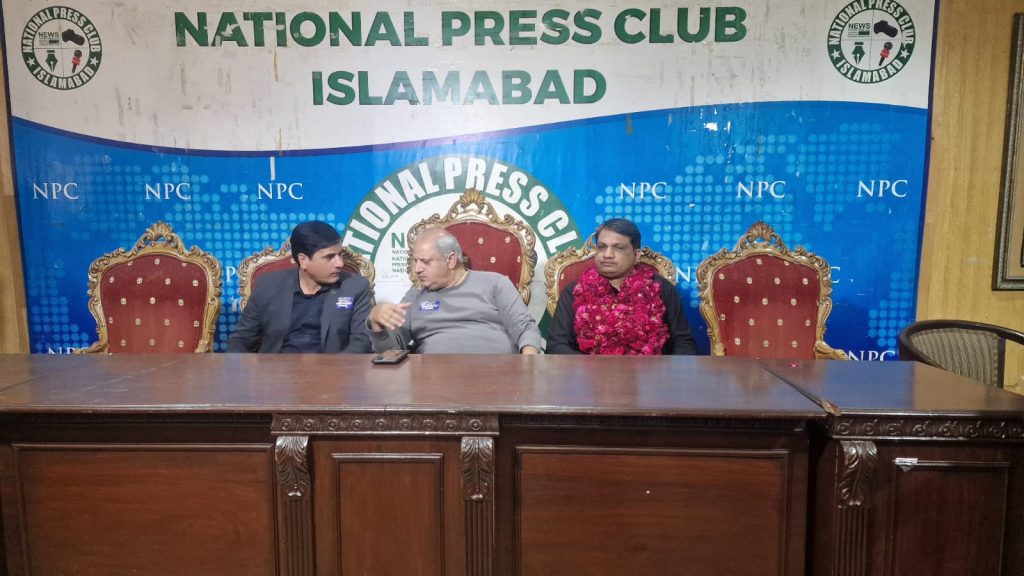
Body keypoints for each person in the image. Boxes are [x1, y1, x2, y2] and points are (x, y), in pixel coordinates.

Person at [367, 228, 542, 354]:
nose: (417, 269)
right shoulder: (414, 297)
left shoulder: (495, 284)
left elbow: (526, 328)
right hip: (432, 382)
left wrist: (527, 367)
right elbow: (391, 352)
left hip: (499, 377)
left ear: (451, 260)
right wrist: (376, 323)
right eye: (415, 261)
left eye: (425, 262)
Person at [546, 218, 698, 355]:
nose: (607, 254)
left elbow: (684, 343)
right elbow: (557, 345)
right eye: (602, 247)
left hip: (650, 375)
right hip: (590, 375)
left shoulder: (661, 289)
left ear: (636, 256)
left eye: (619, 248)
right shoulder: (575, 291)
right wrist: (593, 370)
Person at [227, 221, 372, 353]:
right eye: (329, 257)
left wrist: (336, 369)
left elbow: (362, 341)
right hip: (276, 369)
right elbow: (242, 340)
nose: (340, 263)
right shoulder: (268, 286)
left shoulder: (355, 287)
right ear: (303, 260)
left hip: (332, 370)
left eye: (340, 254)